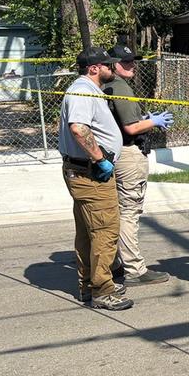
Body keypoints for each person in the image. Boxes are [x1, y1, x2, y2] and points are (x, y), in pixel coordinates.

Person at [58, 46, 133, 311]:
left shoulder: (88, 90)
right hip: (89, 173)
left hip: (83, 171)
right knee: (105, 231)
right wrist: (100, 159)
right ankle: (103, 290)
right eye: (108, 65)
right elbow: (78, 128)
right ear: (93, 69)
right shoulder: (82, 91)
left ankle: (89, 284)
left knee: (88, 232)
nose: (112, 69)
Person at [102, 44, 173, 287]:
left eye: (133, 61)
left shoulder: (104, 86)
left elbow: (122, 121)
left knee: (116, 212)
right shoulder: (121, 88)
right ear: (113, 64)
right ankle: (134, 269)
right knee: (129, 212)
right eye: (126, 62)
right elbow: (130, 128)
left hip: (112, 153)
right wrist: (152, 122)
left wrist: (145, 119)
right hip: (129, 153)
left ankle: (114, 264)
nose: (132, 65)